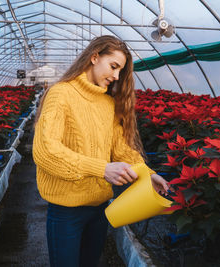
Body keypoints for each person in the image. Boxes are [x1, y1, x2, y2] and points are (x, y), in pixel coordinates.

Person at [32, 35, 169, 267]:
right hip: (67, 212)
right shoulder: (61, 94)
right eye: (113, 66)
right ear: (94, 57)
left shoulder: (107, 104)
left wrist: (148, 174)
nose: (116, 76)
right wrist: (102, 168)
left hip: (99, 210)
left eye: (120, 71)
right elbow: (46, 150)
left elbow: (121, 149)